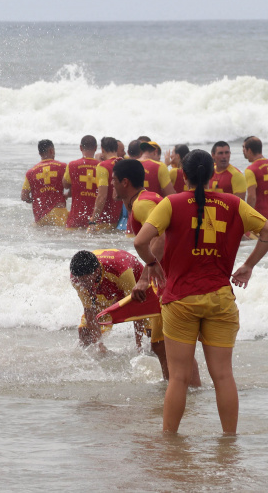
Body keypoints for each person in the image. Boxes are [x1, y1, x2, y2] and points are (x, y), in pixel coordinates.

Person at [132, 149, 268, 434]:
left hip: (181, 300)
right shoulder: (234, 204)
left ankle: (170, 441)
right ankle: (229, 441)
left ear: (183, 174)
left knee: (178, 378)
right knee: (223, 376)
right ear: (213, 176)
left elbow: (140, 241)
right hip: (220, 299)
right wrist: (248, 265)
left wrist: (152, 264)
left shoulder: (172, 203)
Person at [111, 159, 201, 384]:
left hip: (173, 278)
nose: (110, 184)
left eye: (113, 180)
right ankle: (184, 391)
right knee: (164, 344)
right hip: (175, 274)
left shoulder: (142, 205)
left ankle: (180, 392)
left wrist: (144, 277)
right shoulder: (144, 200)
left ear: (124, 182)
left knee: (167, 344)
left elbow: (163, 234)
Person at [69, 249, 148, 350]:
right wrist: (99, 344)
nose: (82, 284)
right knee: (85, 333)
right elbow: (89, 311)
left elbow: (137, 308)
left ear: (97, 271)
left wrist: (139, 345)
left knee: (152, 334)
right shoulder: (77, 278)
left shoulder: (121, 271)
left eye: (84, 281)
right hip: (106, 287)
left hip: (135, 282)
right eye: (80, 281)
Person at [21, 139, 68, 226]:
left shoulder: (30, 172)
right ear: (52, 151)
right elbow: (73, 185)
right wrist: (67, 195)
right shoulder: (63, 167)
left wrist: (36, 199)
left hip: (40, 216)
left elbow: (24, 196)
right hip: (58, 212)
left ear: (39, 153)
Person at [63, 135, 101, 229]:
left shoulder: (72, 165)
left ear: (80, 147)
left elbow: (65, 184)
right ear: (96, 148)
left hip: (75, 218)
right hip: (95, 219)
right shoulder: (101, 166)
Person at [89, 136, 123, 229]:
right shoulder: (124, 163)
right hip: (121, 221)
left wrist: (93, 221)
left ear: (102, 149)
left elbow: (102, 196)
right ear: (117, 148)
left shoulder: (103, 166)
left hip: (104, 221)